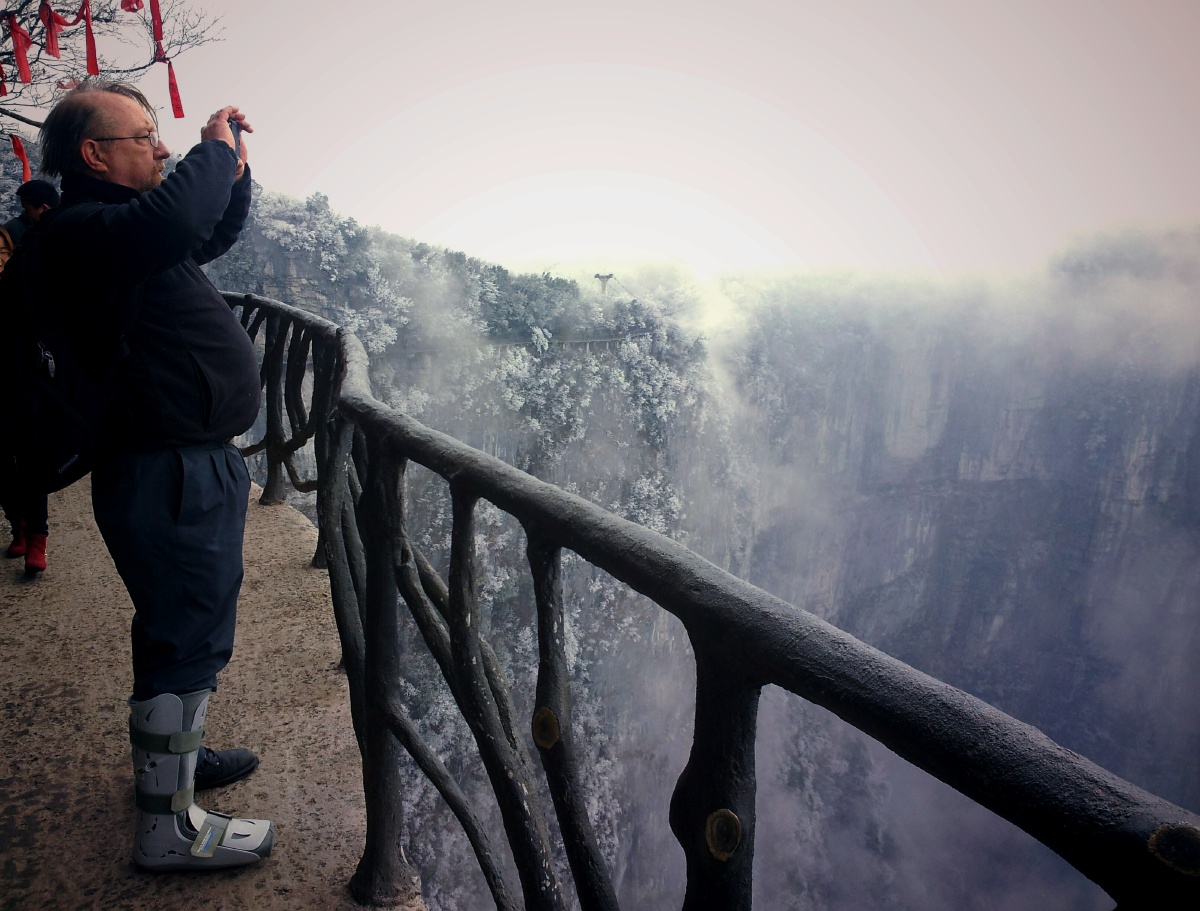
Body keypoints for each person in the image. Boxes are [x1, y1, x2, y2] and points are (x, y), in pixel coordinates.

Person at [33, 80, 274, 870]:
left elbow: (200, 230)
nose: (162, 148)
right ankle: (167, 828)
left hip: (180, 462)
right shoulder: (84, 230)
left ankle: (178, 759)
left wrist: (234, 174)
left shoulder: (122, 236)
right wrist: (211, 150)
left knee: (183, 630)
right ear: (94, 155)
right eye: (145, 136)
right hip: (164, 469)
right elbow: (176, 217)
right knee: (185, 637)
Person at [0, 180, 59, 574]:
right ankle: (19, 527)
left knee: (30, 452)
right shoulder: (20, 239)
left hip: (27, 370)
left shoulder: (34, 254)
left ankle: (36, 537)